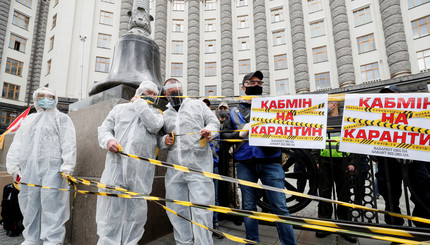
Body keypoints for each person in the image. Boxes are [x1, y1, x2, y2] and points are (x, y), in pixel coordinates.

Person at [221, 71, 296, 245]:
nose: (256, 85)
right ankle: (252, 242)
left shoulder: (273, 107)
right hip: (245, 163)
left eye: (259, 82)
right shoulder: (233, 111)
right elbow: (223, 136)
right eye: (252, 82)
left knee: (280, 207)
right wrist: (238, 134)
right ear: (243, 87)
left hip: (270, 161)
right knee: (248, 207)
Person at [6, 87, 77, 245]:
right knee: (30, 203)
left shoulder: (61, 119)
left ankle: (52, 240)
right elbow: (17, 144)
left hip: (53, 170)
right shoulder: (29, 120)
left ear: (55, 98)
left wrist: (67, 166)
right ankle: (32, 238)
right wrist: (14, 167)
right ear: (35, 99)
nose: (46, 99)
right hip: (29, 170)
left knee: (52, 204)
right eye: (41, 96)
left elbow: (68, 143)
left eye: (50, 96)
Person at [96, 81, 163, 244]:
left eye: (154, 94)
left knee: (136, 214)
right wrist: (109, 141)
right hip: (116, 168)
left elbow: (154, 126)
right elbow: (104, 128)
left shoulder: (157, 114)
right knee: (110, 212)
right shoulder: (119, 109)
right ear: (139, 91)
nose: (151, 96)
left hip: (140, 172)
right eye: (147, 92)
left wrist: (139, 103)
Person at [160, 78, 220, 245]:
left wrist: (209, 131)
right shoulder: (165, 115)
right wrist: (164, 140)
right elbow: (158, 138)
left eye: (179, 91)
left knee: (202, 210)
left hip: (199, 167)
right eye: (172, 93)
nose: (177, 95)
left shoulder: (197, 105)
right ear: (166, 95)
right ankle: (184, 243)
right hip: (175, 170)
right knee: (177, 210)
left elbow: (214, 122)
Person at [315, 101, 357, 243]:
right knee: (325, 194)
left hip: (343, 161)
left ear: (337, 105)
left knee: (343, 194)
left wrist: (352, 162)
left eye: (333, 102)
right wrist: (316, 159)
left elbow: (352, 139)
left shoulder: (345, 119)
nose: (330, 105)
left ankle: (345, 226)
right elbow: (314, 138)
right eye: (328, 102)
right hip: (325, 160)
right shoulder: (322, 119)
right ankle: (324, 225)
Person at [375, 85, 405, 226]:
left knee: (422, 195)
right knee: (390, 198)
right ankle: (396, 228)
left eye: (391, 94)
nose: (388, 98)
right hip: (387, 163)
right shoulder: (378, 116)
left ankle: (423, 230)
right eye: (384, 95)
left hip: (414, 163)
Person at [203, 99, 224, 240]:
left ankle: (214, 223)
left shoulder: (213, 125)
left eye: (206, 106)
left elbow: (216, 148)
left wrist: (213, 163)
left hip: (211, 166)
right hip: (197, 167)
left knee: (213, 196)